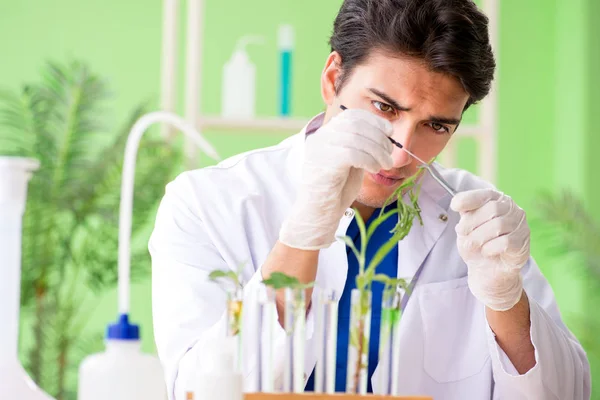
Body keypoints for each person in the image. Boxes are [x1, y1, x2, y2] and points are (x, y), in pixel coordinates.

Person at [149, 0, 591, 399]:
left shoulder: (479, 219)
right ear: (332, 79)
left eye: (436, 126)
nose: (401, 152)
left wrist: (505, 297)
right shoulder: (207, 204)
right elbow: (198, 389)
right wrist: (302, 234)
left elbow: (565, 394)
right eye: (384, 108)